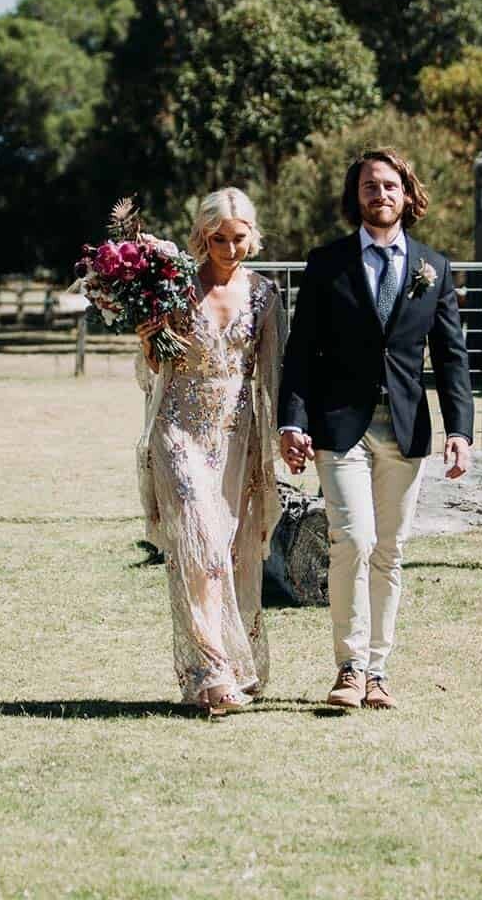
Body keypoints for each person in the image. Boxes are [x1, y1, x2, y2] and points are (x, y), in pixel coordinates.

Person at [277, 148, 474, 711]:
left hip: (406, 429)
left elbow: (451, 356)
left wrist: (460, 429)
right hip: (341, 429)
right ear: (355, 196)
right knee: (353, 542)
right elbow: (301, 352)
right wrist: (292, 419)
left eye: (389, 185)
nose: (379, 194)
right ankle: (349, 666)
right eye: (369, 186)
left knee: (389, 551)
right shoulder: (327, 263)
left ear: (407, 195)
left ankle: (379, 672)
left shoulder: (433, 267)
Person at [135, 188, 285, 715]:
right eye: (217, 238)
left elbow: (273, 372)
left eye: (237, 238)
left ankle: (229, 666)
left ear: (252, 235)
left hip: (236, 434)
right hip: (178, 426)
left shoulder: (266, 295)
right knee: (199, 542)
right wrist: (149, 336)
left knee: (233, 551)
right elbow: (155, 367)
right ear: (202, 237)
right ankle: (211, 667)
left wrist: (285, 436)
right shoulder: (175, 289)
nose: (228, 247)